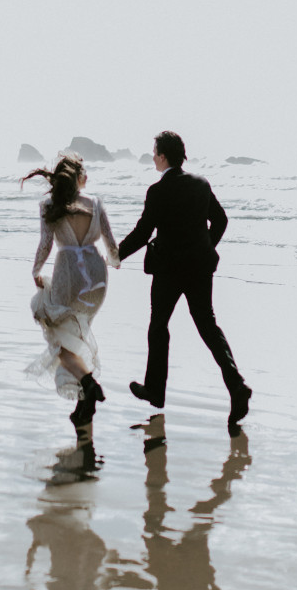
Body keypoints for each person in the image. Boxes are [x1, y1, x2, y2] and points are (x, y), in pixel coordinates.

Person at [117, 130, 252, 430]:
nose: (153, 157)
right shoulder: (201, 184)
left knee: (158, 325)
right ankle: (237, 385)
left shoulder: (157, 191)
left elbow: (143, 233)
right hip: (200, 267)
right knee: (208, 326)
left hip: (168, 270)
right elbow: (221, 220)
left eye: (155, 153)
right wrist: (205, 247)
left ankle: (155, 390)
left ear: (163, 156)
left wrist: (115, 256)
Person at [23, 154, 120, 429]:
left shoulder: (48, 205)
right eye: (85, 171)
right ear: (79, 177)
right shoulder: (96, 203)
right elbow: (111, 245)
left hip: (68, 275)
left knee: (59, 337)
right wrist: (115, 261)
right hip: (97, 278)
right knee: (80, 333)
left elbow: (45, 245)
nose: (88, 176)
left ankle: (89, 385)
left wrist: (36, 272)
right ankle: (83, 406)